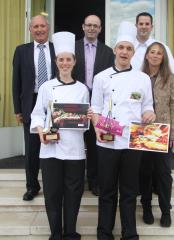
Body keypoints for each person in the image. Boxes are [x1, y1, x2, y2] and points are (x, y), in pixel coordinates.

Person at [91, 22, 155, 240]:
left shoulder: (143, 79)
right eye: (121, 48)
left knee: (129, 192)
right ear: (115, 50)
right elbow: (96, 109)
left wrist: (150, 114)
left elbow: (147, 106)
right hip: (107, 141)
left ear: (133, 52)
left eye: (129, 48)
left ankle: (129, 233)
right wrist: (97, 127)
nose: (125, 52)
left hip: (132, 141)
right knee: (107, 191)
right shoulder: (101, 78)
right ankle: (104, 233)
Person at [30, 31, 92, 240]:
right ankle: (55, 233)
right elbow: (38, 114)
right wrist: (40, 131)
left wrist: (86, 118)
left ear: (74, 62)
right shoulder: (47, 87)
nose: (65, 63)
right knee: (52, 194)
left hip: (74, 149)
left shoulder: (83, 89)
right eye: (61, 59)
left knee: (74, 193)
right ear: (56, 62)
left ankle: (70, 232)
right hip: (50, 149)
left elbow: (84, 124)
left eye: (68, 60)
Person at [12, 15, 56, 201]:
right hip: (31, 102)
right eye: (35, 26)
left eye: (42, 26)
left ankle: (53, 185)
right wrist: (17, 109)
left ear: (48, 28)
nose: (39, 29)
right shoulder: (21, 51)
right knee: (31, 148)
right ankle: (32, 186)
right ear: (30, 29)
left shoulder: (57, 49)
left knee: (53, 143)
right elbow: (16, 81)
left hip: (54, 102)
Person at [139, 42, 174, 228]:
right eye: (152, 52)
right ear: (147, 55)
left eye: (159, 54)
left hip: (163, 131)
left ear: (163, 58)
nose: (155, 56)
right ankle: (146, 207)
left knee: (164, 173)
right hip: (142, 130)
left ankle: (165, 210)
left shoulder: (170, 78)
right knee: (145, 172)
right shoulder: (137, 77)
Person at [73, 14, 114, 196]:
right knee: (75, 141)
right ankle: (77, 181)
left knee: (96, 142)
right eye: (88, 25)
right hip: (75, 103)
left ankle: (94, 181)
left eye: (95, 26)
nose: (91, 28)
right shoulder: (72, 48)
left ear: (100, 29)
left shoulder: (108, 51)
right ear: (83, 26)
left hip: (99, 105)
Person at [131, 12, 174, 82]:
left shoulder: (163, 48)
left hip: (157, 91)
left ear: (151, 27)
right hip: (132, 91)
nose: (144, 27)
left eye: (147, 24)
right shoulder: (128, 48)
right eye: (141, 24)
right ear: (136, 26)